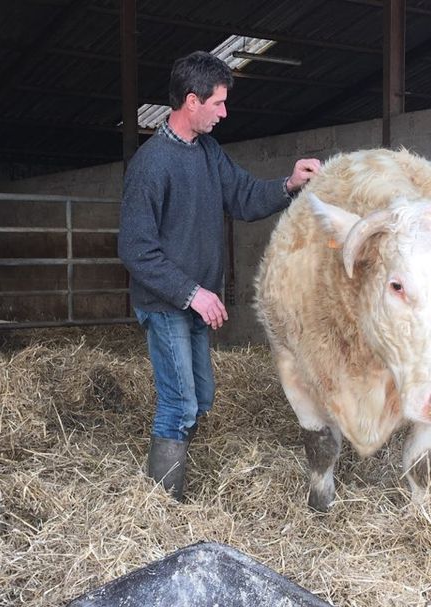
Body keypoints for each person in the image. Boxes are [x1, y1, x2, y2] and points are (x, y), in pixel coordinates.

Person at [118, 51, 321, 501]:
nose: (224, 113)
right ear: (192, 101)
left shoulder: (208, 152)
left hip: (195, 299)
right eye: (219, 104)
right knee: (179, 403)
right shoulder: (151, 165)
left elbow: (244, 197)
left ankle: (174, 468)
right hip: (166, 302)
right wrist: (193, 293)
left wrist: (289, 184)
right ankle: (162, 503)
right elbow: (135, 248)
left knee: (201, 397)